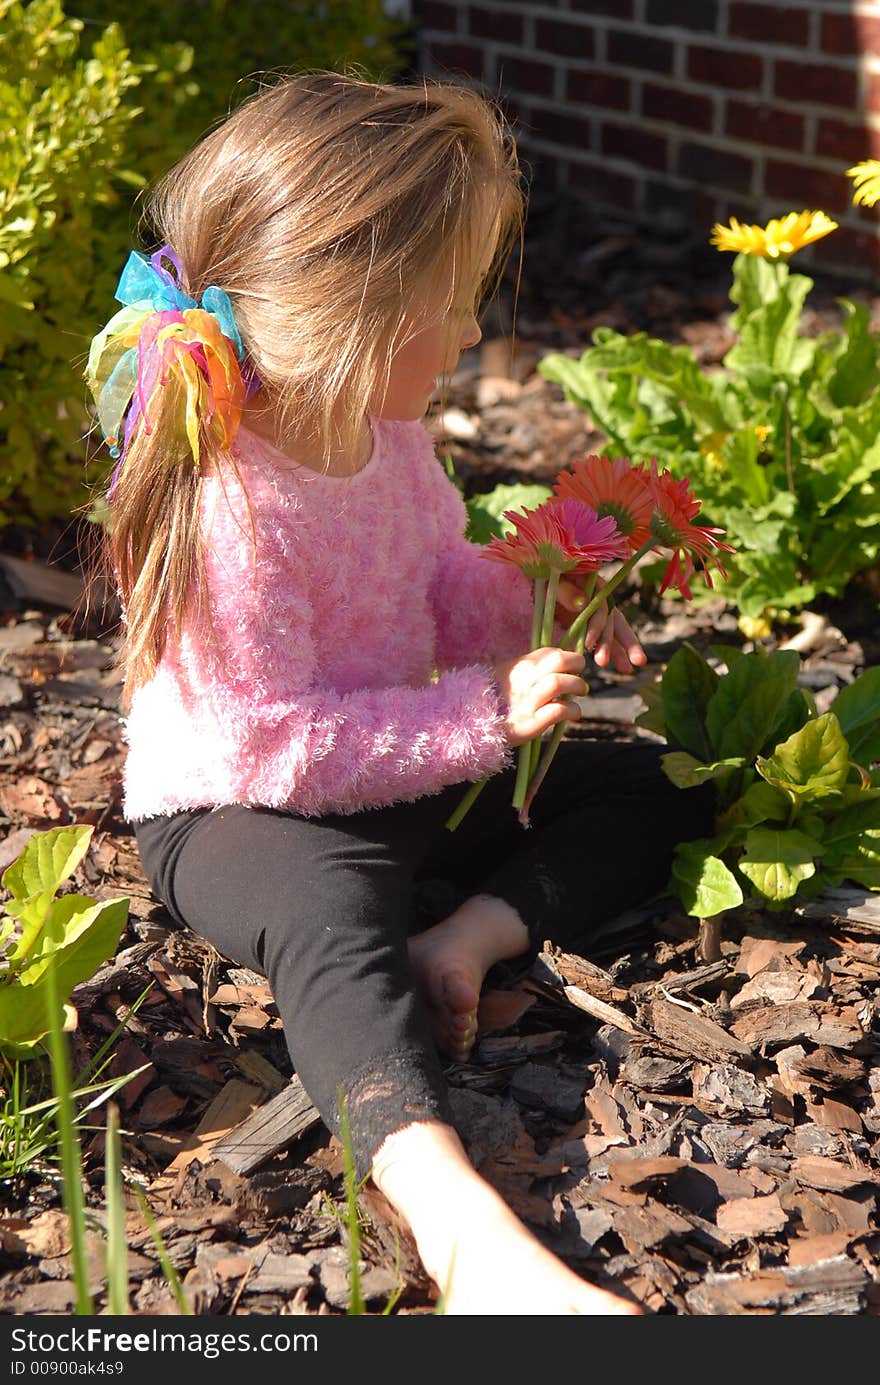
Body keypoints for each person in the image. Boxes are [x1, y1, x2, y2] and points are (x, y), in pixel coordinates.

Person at [88, 71, 713, 1315]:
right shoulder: (236, 503)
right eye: (452, 308)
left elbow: (441, 583)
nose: (475, 336)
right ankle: (457, 1223)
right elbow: (272, 747)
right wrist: (482, 714)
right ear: (351, 315)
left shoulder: (394, 441)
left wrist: (551, 613)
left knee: (643, 780)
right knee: (330, 927)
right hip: (237, 812)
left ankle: (464, 935)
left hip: (392, 767)